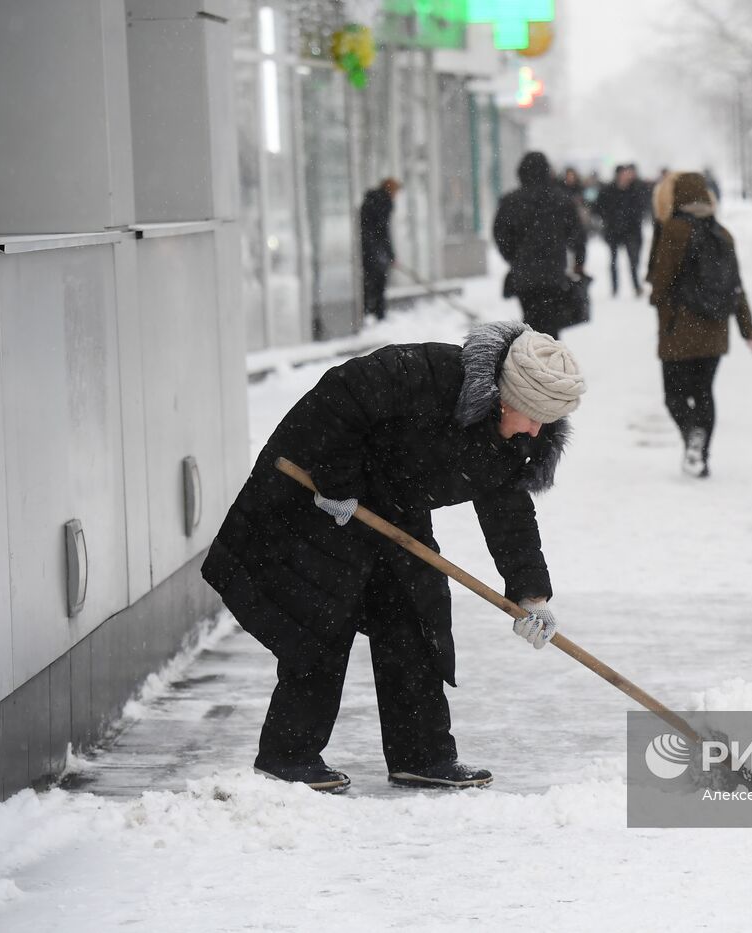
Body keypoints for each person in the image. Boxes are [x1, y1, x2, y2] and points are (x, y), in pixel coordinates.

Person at [202, 322, 586, 793]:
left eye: (546, 421)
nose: (535, 429)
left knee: (416, 611)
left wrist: (532, 594)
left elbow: (508, 511)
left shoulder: (517, 438)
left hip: (393, 506)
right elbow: (339, 397)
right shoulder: (426, 374)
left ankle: (421, 756)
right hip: (316, 491)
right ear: (504, 395)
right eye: (531, 415)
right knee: (323, 617)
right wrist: (337, 485)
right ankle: (288, 757)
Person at [646, 171, 752, 478]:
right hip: (715, 329)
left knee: (675, 395)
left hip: (680, 328)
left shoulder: (674, 230)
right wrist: (747, 327)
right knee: (704, 391)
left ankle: (693, 435)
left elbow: (662, 281)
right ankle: (700, 456)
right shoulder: (723, 233)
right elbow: (736, 286)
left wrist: (657, 302)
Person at [493, 152, 588, 339]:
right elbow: (577, 234)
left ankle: (532, 356)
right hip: (554, 273)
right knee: (551, 322)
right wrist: (579, 260)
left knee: (530, 319)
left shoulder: (510, 202)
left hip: (524, 275)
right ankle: (549, 357)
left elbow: (500, 235)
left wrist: (514, 257)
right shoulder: (561, 199)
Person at [594, 164, 650, 297]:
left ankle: (636, 287)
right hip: (613, 230)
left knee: (633, 261)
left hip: (631, 231)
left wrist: (633, 218)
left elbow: (642, 207)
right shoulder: (608, 190)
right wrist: (609, 218)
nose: (626, 176)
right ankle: (614, 288)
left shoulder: (635, 189)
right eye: (624, 173)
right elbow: (598, 208)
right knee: (613, 261)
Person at [358, 178, 401, 321]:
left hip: (366, 249)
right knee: (379, 282)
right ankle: (378, 314)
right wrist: (390, 254)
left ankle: (368, 311)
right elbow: (383, 232)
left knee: (369, 283)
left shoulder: (370, 200)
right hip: (375, 251)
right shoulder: (384, 203)